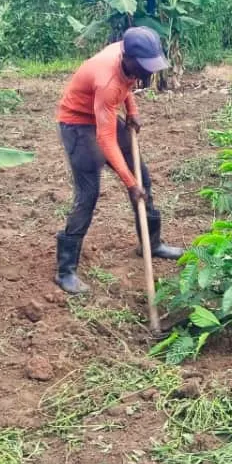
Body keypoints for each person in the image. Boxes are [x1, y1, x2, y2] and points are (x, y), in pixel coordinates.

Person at [54, 27, 183, 294]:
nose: (149, 73)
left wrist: (132, 111)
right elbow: (105, 140)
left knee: (143, 179)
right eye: (145, 67)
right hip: (78, 124)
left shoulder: (127, 59)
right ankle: (65, 270)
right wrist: (129, 182)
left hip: (104, 114)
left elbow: (126, 85)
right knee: (88, 194)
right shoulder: (107, 79)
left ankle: (152, 243)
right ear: (128, 58)